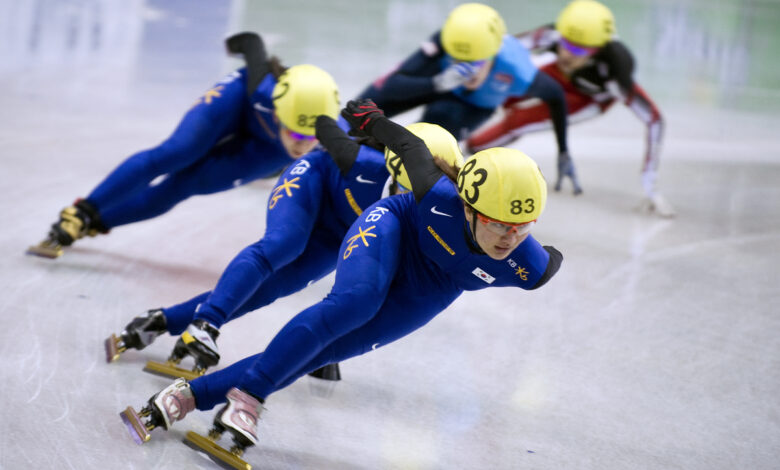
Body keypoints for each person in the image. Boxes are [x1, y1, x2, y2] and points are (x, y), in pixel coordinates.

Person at [119, 99, 562, 468]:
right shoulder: (436, 195)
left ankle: (187, 396)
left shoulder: (528, 265)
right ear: (467, 206)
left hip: (432, 286)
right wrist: (370, 120)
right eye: (498, 223)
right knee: (356, 302)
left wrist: (534, 245)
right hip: (391, 230)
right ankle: (249, 398)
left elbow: (549, 261)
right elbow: (408, 145)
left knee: (331, 349)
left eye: (523, 226)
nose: (510, 236)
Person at [105, 116, 463, 383]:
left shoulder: (444, 212)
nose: (415, 201)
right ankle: (206, 324)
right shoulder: (363, 165)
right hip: (311, 184)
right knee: (282, 245)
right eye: (407, 189)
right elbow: (324, 126)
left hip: (338, 231)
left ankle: (161, 320)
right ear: (392, 169)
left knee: (274, 287)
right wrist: (344, 124)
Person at [27, 32, 341, 258]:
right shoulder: (262, 87)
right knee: (178, 153)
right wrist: (235, 45)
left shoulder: (331, 132)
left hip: (266, 148)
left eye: (314, 137)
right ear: (277, 113)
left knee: (186, 185)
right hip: (235, 104)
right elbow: (252, 43)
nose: (303, 146)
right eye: (297, 134)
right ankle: (80, 211)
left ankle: (93, 224)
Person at [466, 0, 674, 216]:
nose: (566, 53)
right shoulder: (554, 34)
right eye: (565, 43)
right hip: (561, 74)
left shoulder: (615, 69)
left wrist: (650, 183)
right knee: (504, 82)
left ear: (597, 50)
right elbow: (502, 46)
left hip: (588, 99)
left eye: (577, 48)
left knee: (519, 121)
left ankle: (469, 150)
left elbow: (654, 119)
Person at [356, 2, 575, 189]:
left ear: (493, 55)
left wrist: (563, 151)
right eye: (458, 60)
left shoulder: (517, 71)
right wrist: (437, 82)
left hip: (472, 107)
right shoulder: (445, 41)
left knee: (428, 134)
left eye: (475, 62)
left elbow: (556, 97)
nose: (466, 71)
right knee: (360, 110)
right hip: (440, 83)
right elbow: (390, 86)